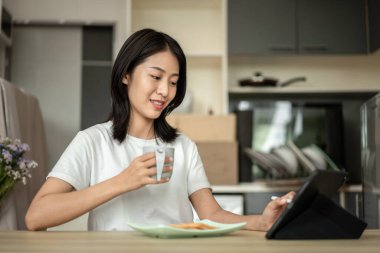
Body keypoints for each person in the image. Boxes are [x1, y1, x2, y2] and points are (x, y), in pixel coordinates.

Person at [25, 28, 295, 231]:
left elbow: (211, 214)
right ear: (126, 74)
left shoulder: (183, 146)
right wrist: (122, 182)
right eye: (155, 77)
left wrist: (261, 221)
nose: (165, 91)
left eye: (174, 82)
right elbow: (36, 216)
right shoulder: (92, 141)